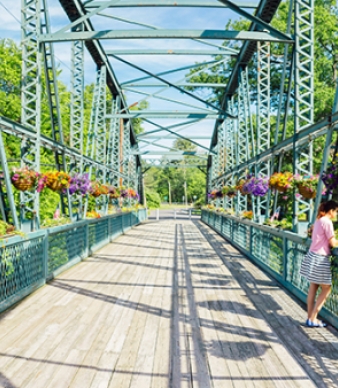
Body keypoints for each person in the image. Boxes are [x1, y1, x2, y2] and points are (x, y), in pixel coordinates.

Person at [300, 200, 338, 327]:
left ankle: (310, 318)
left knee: (313, 287)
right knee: (327, 288)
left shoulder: (318, 220)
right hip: (320, 258)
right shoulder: (327, 222)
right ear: (331, 211)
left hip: (312, 256)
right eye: (336, 212)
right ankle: (313, 318)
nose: (336, 214)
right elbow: (332, 243)